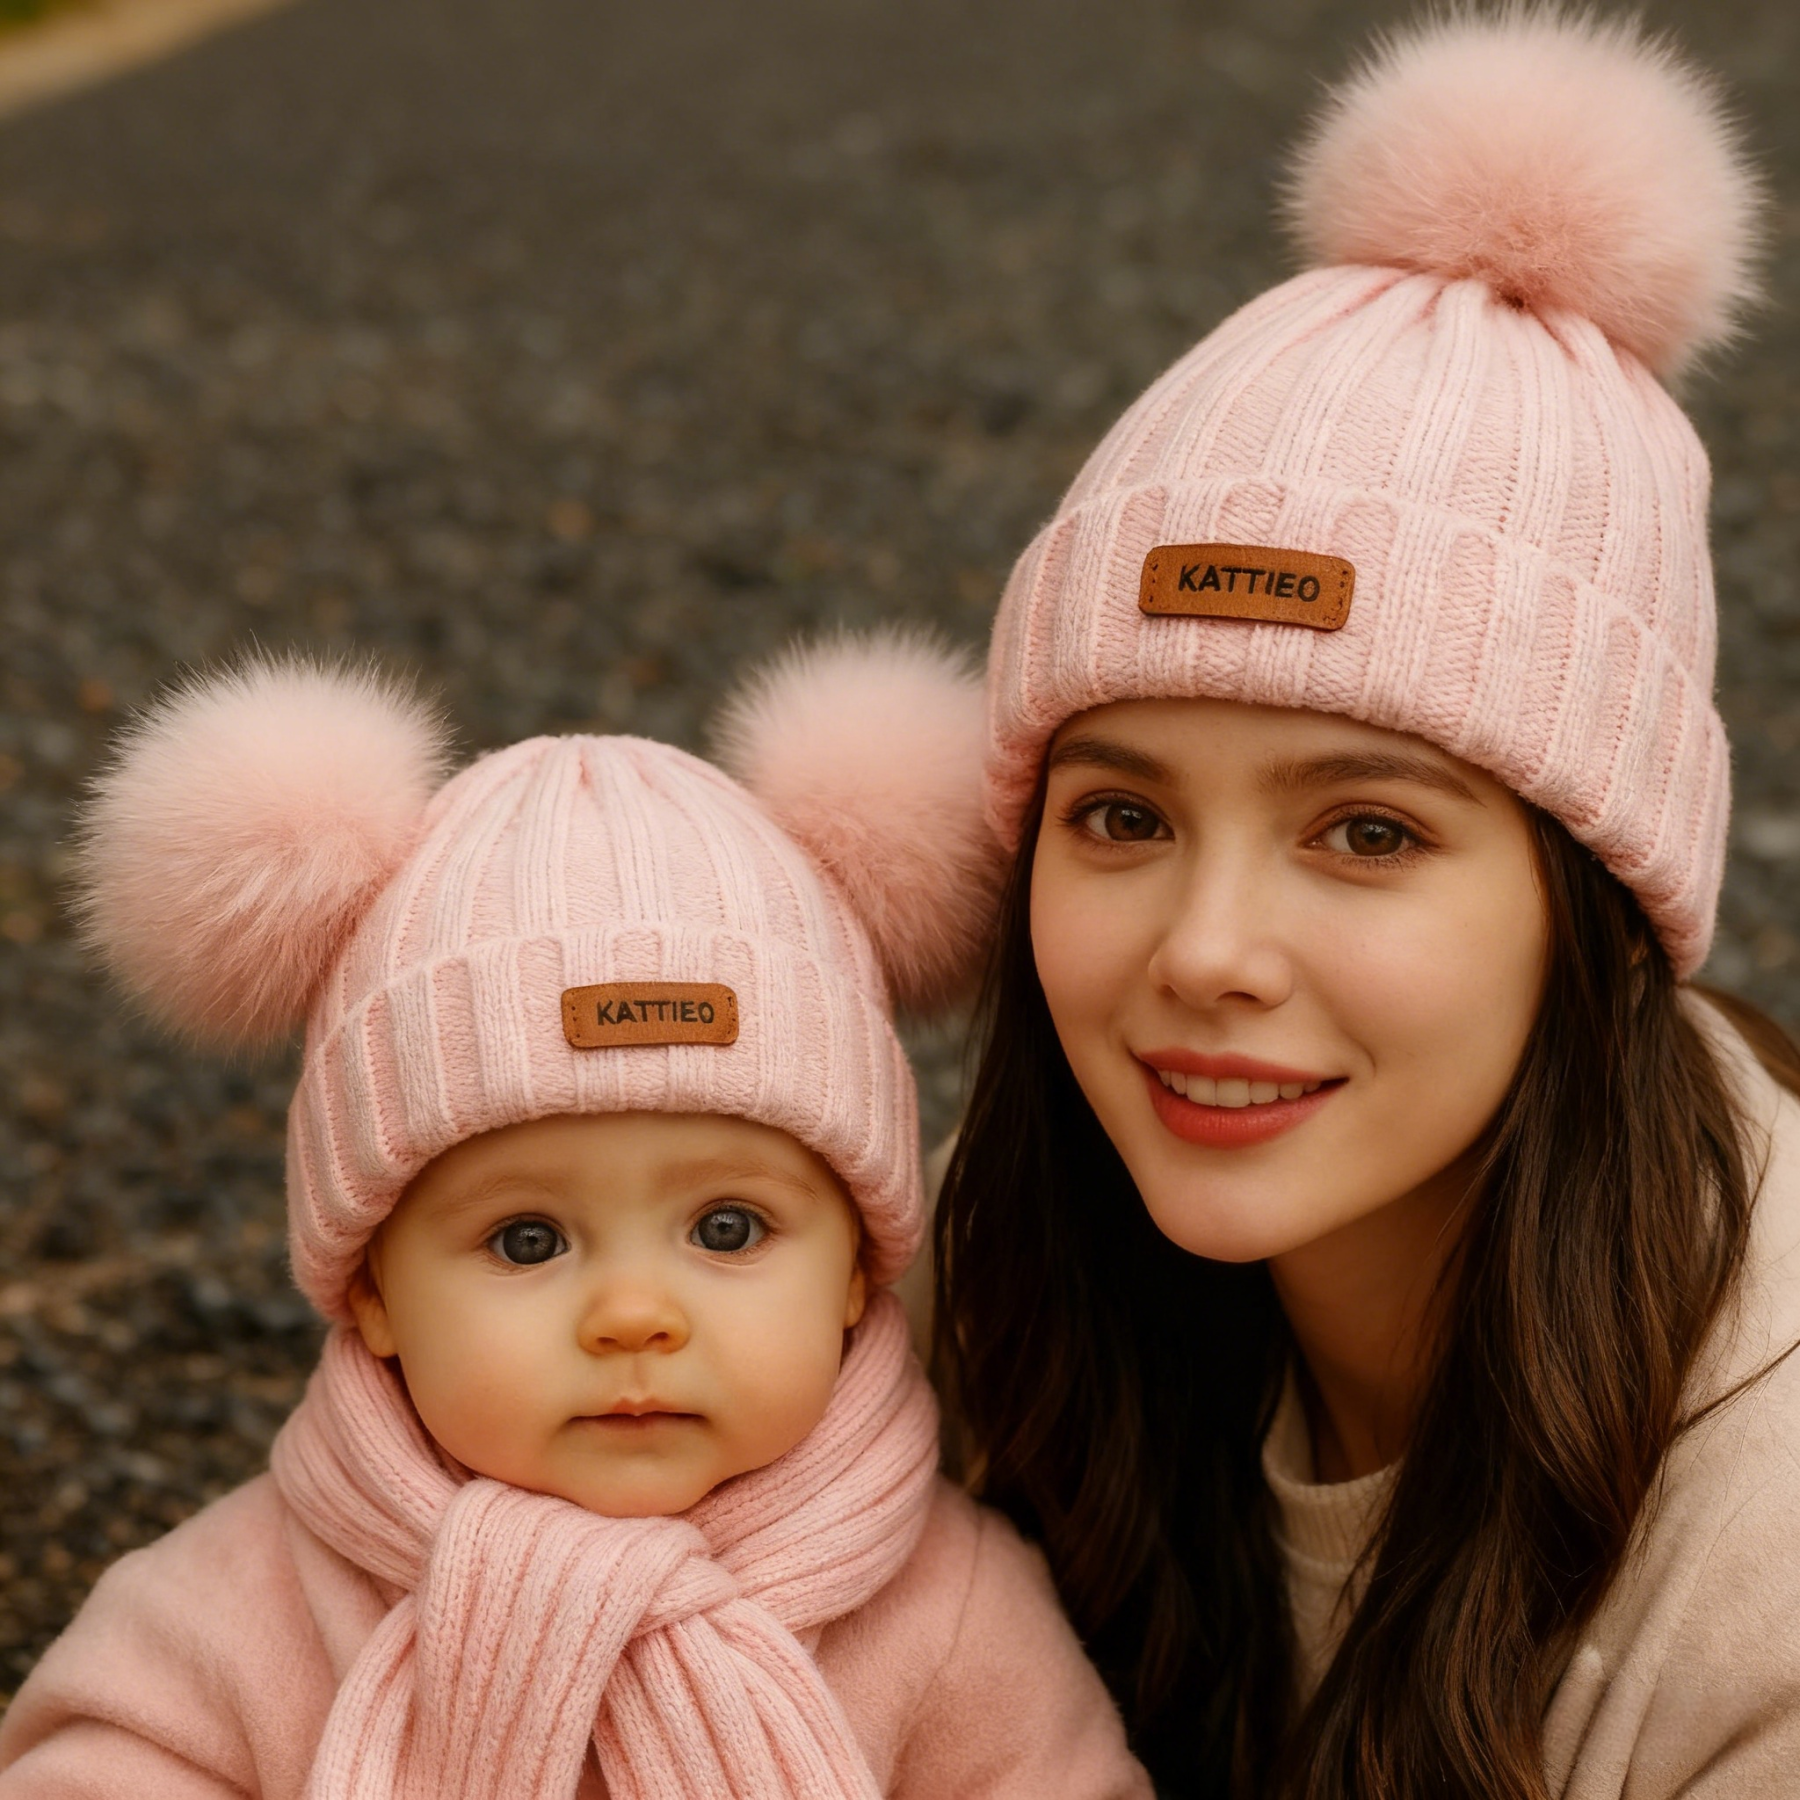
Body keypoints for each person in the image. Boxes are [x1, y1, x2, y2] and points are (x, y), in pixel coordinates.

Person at [932, 12, 1800, 1799]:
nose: (1206, 953)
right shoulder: (1002, 1268)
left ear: (1603, 907)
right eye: (1119, 814)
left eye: (1369, 835)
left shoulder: (1767, 1567)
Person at [0, 641, 1148, 1798]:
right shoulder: (237, 1615)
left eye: (730, 1230)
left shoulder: (950, 1614)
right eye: (529, 1241)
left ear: (858, 1268)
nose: (634, 1316)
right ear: (371, 1289)